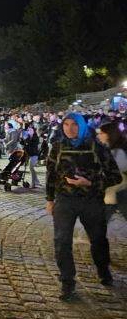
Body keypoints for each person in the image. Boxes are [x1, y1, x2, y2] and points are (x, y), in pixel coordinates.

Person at [46, 113, 121, 301]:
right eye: (66, 124)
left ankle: (103, 270)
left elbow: (115, 176)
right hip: (65, 201)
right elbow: (50, 175)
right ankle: (67, 283)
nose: (70, 128)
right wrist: (49, 199)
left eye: (74, 125)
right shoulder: (57, 147)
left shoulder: (97, 147)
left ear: (82, 126)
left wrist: (89, 183)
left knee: (98, 239)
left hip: (92, 201)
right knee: (62, 242)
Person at [96, 120, 127, 222]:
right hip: (115, 191)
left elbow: (118, 171)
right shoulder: (109, 149)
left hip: (118, 190)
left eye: (101, 133)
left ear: (109, 134)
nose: (99, 136)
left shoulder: (117, 152)